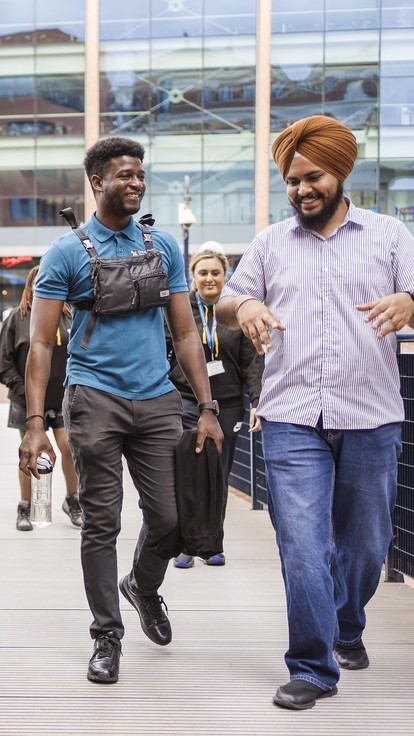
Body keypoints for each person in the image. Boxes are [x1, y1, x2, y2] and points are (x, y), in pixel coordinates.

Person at [215, 114, 414, 711]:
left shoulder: (389, 235)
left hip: (372, 415)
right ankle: (312, 664)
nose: (302, 189)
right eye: (293, 181)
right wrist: (246, 304)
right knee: (302, 544)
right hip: (291, 416)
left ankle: (346, 624)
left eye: (313, 177)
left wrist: (409, 300)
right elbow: (227, 300)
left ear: (340, 173)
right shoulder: (271, 243)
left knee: (368, 544)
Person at [18, 136, 222, 685]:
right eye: (124, 175)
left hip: (157, 400)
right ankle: (107, 635)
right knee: (101, 522)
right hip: (93, 401)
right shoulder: (65, 253)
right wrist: (35, 424)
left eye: (140, 174)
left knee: (171, 518)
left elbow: (184, 331)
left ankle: (143, 586)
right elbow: (40, 345)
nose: (135, 182)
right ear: (97, 183)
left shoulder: (162, 247)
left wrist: (206, 406)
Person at [168, 247, 263, 568]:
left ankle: (213, 542)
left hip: (230, 404)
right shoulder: (181, 312)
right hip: (186, 400)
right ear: (193, 277)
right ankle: (185, 542)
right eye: (203, 273)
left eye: (215, 273)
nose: (209, 278)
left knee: (219, 474)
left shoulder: (236, 313)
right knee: (188, 472)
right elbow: (166, 353)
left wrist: (257, 402)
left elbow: (252, 362)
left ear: (225, 277)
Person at [0, 266, 82, 531]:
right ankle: (25, 505)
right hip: (26, 400)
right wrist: (23, 389)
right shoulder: (17, 317)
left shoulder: (69, 316)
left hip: (61, 398)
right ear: (31, 286)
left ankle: (72, 500)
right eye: (39, 283)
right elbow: (3, 362)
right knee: (29, 452)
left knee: (68, 447)